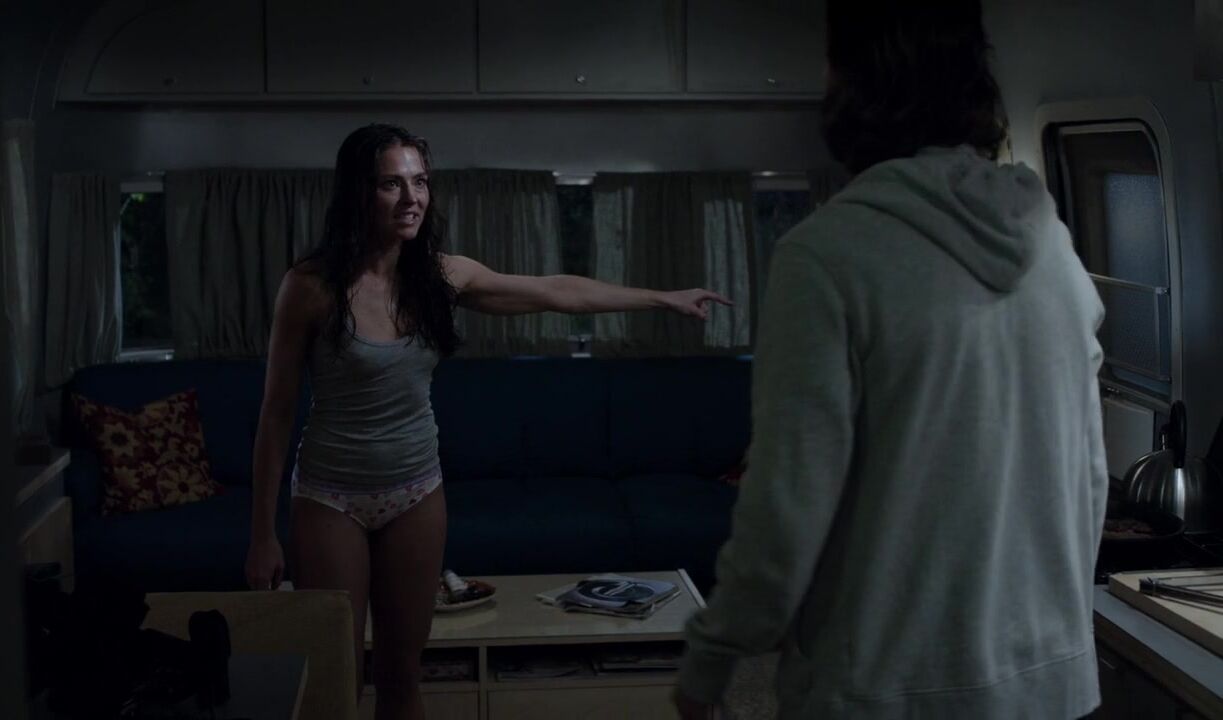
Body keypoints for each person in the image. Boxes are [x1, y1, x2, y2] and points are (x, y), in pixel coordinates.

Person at [673, 1, 1108, 718]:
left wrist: (712, 657)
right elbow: (1088, 474)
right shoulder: (1054, 248)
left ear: (851, 81)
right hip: (1050, 684)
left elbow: (785, 507)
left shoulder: (825, 255)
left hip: (886, 690)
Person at [244, 123, 731, 720]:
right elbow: (276, 413)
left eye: (420, 182)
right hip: (330, 497)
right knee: (336, 684)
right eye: (391, 184)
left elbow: (557, 292)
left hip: (416, 492)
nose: (412, 198)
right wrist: (262, 534)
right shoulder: (310, 287)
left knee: (402, 677)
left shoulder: (441, 276)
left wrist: (662, 298)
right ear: (357, 192)